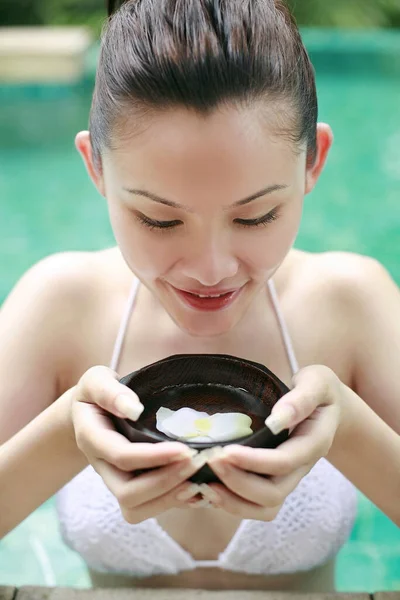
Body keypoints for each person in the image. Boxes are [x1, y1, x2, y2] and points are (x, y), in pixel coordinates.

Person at [0, 0, 399, 592]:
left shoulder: (351, 303)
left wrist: (351, 431)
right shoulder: (59, 306)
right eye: (159, 220)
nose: (211, 270)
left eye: (258, 216)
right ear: (96, 169)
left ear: (313, 162)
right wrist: (67, 433)